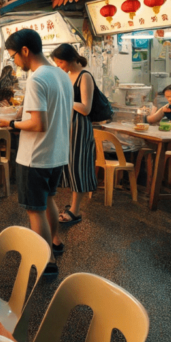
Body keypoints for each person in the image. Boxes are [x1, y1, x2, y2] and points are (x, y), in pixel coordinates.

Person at [0, 29, 73, 277]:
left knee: (35, 210)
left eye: (14, 56)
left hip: (35, 156)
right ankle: (55, 242)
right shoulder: (62, 76)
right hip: (57, 153)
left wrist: (10, 124)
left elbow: (38, 124)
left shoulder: (36, 79)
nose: (15, 62)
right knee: (48, 199)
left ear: (25, 51)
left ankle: (46, 261)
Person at [51, 43, 98, 227]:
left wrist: (66, 99)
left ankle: (75, 211)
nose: (58, 66)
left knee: (78, 168)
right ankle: (72, 206)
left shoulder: (85, 77)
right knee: (68, 167)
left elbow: (86, 109)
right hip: (66, 126)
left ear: (70, 59)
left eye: (60, 62)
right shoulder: (67, 76)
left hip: (79, 127)